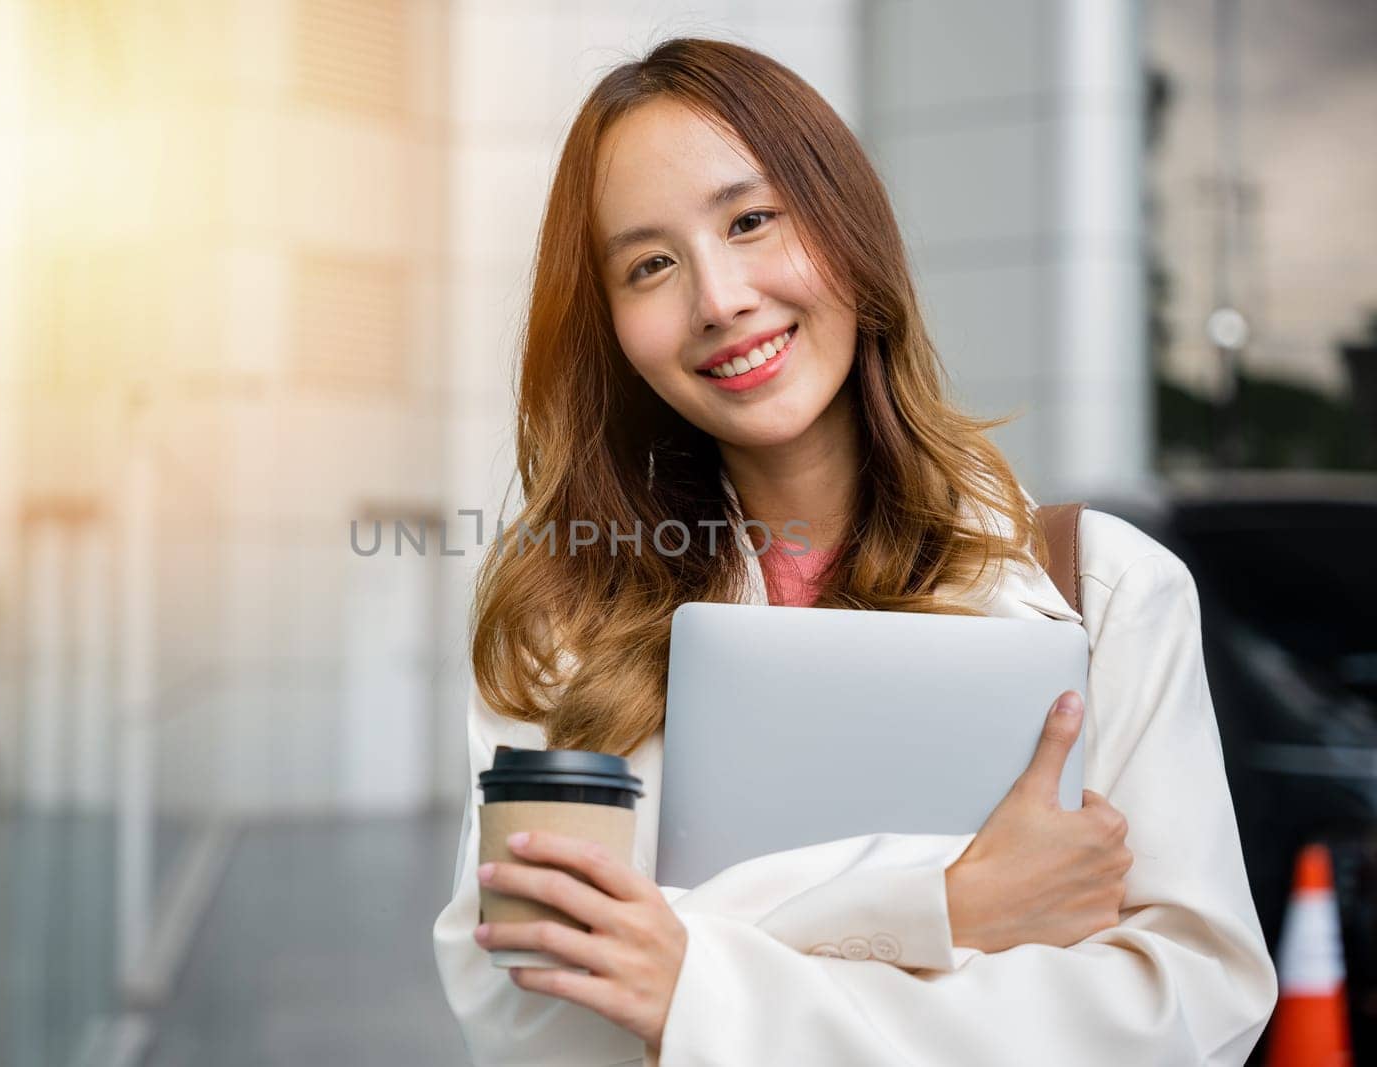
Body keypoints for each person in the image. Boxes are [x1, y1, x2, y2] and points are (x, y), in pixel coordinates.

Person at [433, 36, 1276, 1066]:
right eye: (649, 264)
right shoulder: (559, 616)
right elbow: (523, 1006)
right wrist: (943, 906)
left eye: (750, 221)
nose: (718, 297)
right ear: (608, 323)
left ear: (847, 228)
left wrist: (693, 977)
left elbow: (1189, 1007)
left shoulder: (1107, 587)